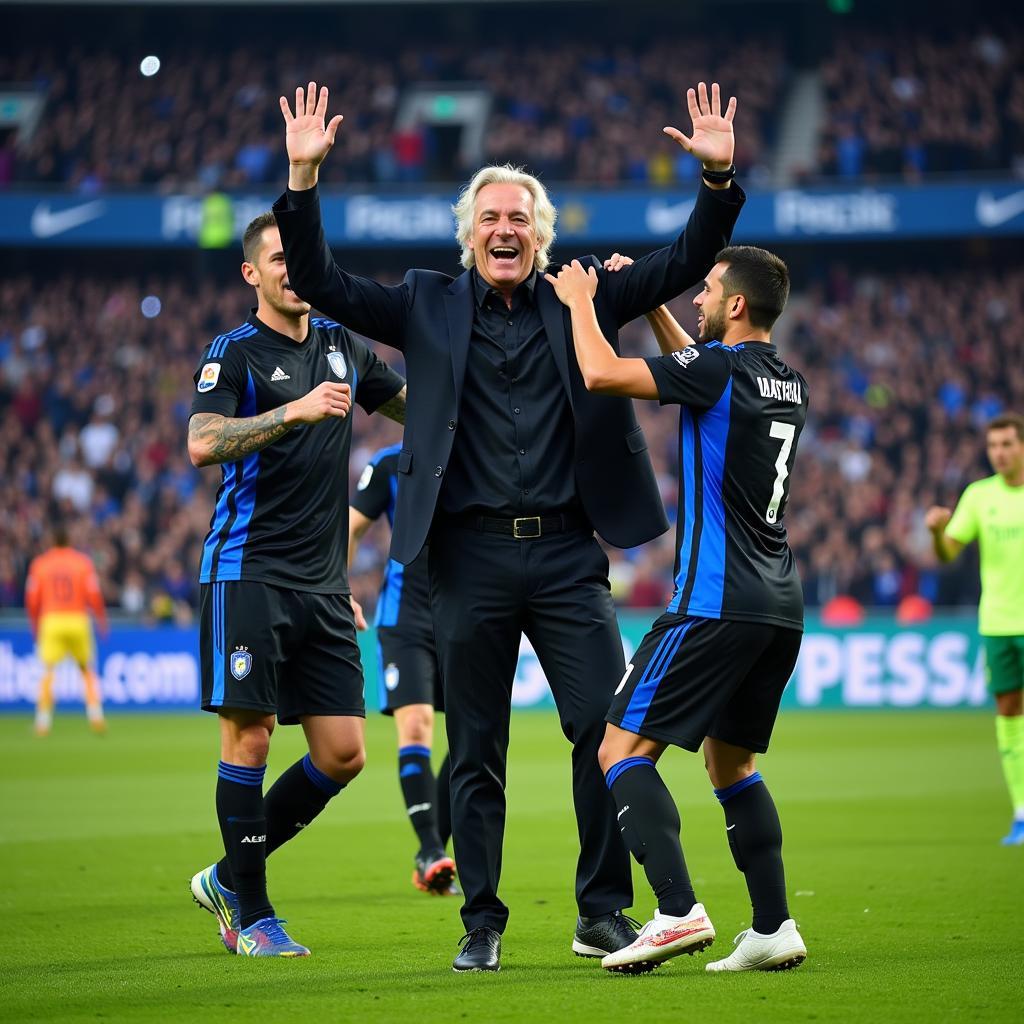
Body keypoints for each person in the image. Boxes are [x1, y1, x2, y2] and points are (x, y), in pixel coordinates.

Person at [274, 80, 744, 973]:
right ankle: (481, 921)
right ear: (468, 234)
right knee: (475, 746)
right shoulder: (424, 302)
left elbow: (685, 261)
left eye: (519, 218)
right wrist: (302, 180)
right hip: (468, 556)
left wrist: (717, 180)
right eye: (489, 216)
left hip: (569, 553)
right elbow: (323, 283)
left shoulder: (586, 299)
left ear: (541, 233)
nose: (504, 229)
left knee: (600, 731)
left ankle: (600, 911)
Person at [545, 246, 809, 974]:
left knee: (618, 750)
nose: (697, 298)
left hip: (713, 600)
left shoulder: (719, 369)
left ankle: (675, 910)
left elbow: (602, 374)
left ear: (737, 306)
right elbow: (698, 366)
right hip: (778, 603)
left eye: (707, 290)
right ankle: (772, 926)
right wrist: (656, 306)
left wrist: (578, 303)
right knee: (733, 766)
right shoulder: (785, 380)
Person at [186, 211, 406, 957]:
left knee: (344, 752)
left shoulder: (345, 346)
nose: (292, 270)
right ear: (252, 273)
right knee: (248, 739)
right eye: (277, 260)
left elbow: (416, 408)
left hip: (321, 585)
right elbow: (201, 442)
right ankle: (251, 916)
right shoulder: (234, 354)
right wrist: (293, 411)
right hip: (247, 573)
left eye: (300, 259)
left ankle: (225, 874)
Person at [349, 445, 457, 895]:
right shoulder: (390, 463)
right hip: (404, 619)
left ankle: (432, 850)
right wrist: (337, 587)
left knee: (475, 735)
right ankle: (431, 849)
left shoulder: (478, 449)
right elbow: (351, 528)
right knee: (417, 724)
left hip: (466, 615)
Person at [926, 414, 1024, 846]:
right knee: (1008, 715)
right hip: (999, 623)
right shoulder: (980, 496)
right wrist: (937, 532)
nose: (999, 453)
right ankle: (1021, 812)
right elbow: (948, 555)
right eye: (994, 446)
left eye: (1007, 444)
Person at [26, 523, 108, 736]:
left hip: (52, 619)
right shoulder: (82, 563)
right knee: (86, 669)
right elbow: (94, 594)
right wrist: (101, 620)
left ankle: (43, 721)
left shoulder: (40, 564)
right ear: (69, 541)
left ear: (52, 542)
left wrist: (34, 623)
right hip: (78, 619)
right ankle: (96, 716)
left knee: (48, 671)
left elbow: (32, 599)